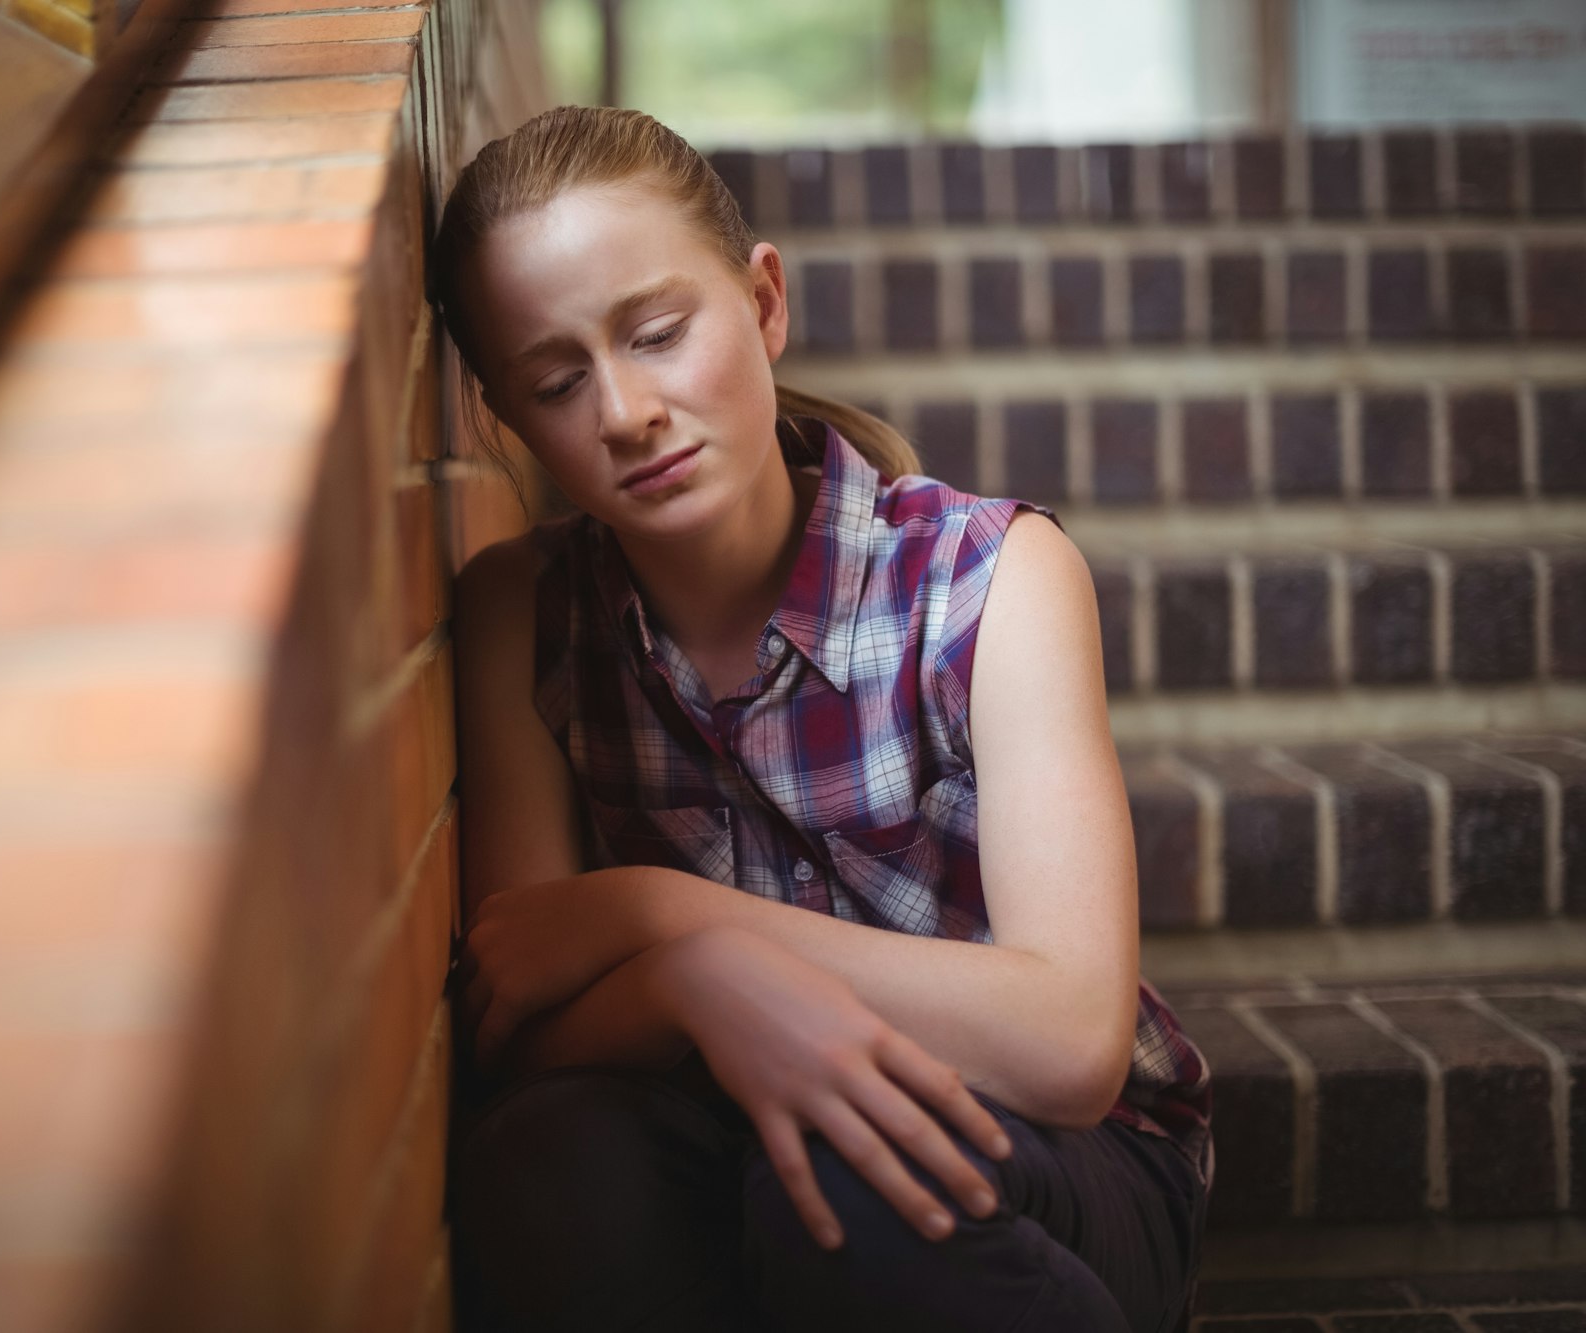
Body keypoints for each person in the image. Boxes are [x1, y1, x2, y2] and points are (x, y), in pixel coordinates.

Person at [429, 104, 1213, 1333]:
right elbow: (524, 1031)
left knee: (854, 1182)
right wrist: (701, 985)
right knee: (543, 1160)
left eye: (656, 333)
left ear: (762, 303)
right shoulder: (520, 616)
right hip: (716, 1136)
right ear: (507, 417)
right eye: (557, 378)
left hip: (1051, 1158)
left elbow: (1067, 1041)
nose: (625, 410)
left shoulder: (988, 577)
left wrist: (665, 915)